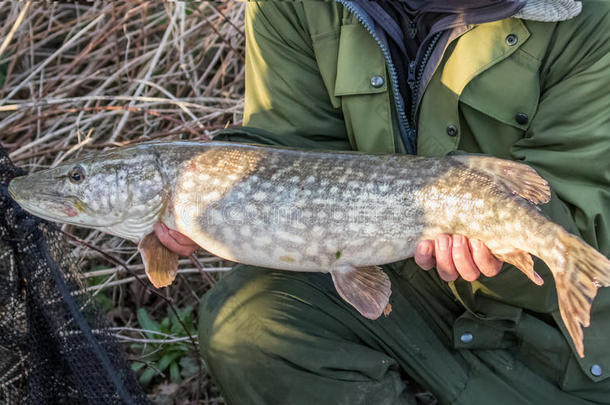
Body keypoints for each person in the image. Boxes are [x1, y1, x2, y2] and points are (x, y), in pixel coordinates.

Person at [157, 1, 610, 403]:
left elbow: (579, 223)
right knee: (246, 327)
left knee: (561, 258)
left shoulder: (591, 17)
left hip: (549, 342)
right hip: (401, 279)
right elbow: (293, 149)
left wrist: (508, 254)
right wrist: (226, 192)